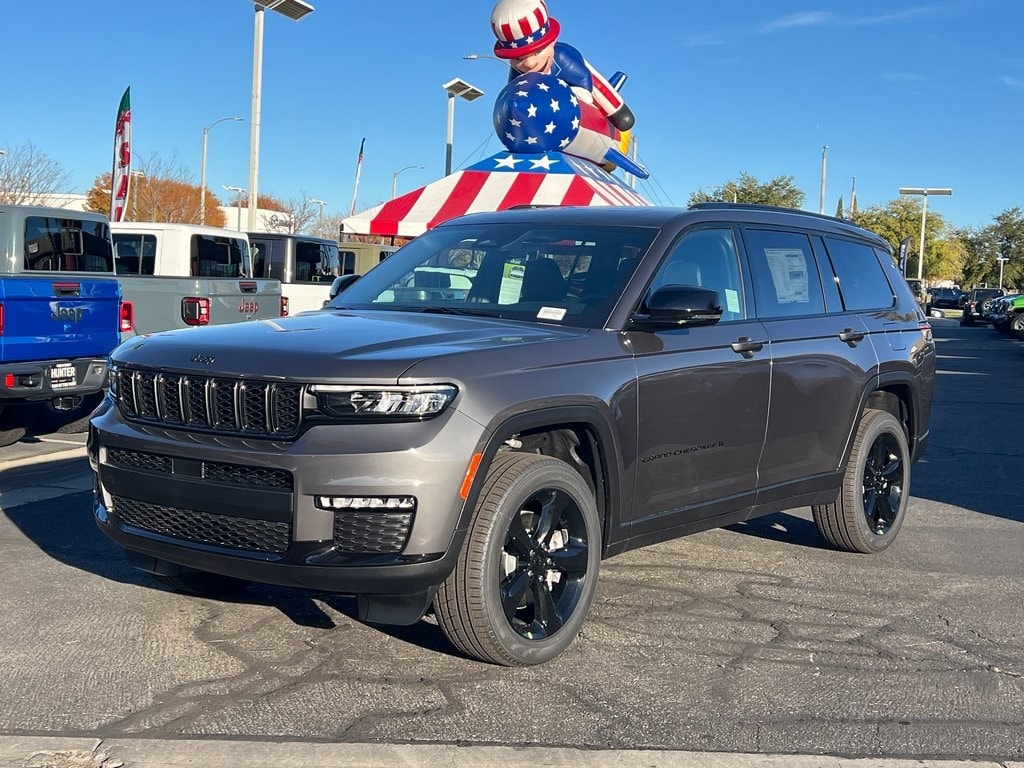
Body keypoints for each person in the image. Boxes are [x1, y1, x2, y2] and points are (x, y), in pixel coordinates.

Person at [490, 0, 635, 132]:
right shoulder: (517, 72)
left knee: (621, 117)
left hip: (577, 79)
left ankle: (617, 109)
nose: (529, 63)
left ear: (552, 42)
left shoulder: (563, 58)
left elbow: (583, 78)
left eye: (538, 51)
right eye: (518, 58)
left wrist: (578, 95)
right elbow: (515, 94)